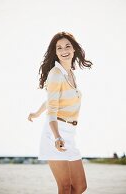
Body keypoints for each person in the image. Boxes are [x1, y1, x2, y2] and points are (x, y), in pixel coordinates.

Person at [28, 31, 93, 194]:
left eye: (67, 46)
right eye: (59, 48)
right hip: (55, 133)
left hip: (70, 133)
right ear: (55, 53)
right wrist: (57, 137)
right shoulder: (56, 73)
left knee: (79, 187)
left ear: (74, 50)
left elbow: (51, 99)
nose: (64, 50)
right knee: (64, 187)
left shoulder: (70, 74)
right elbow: (52, 109)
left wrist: (36, 113)